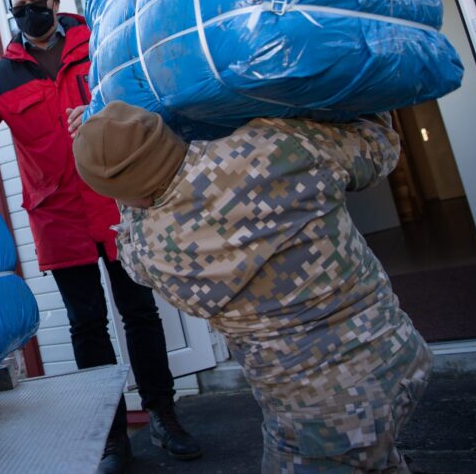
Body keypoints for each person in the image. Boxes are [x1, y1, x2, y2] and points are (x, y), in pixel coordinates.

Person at [73, 102, 432, 473]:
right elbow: (378, 147)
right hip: (397, 352)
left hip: (323, 416)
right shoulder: (275, 141)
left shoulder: (152, 251)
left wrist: (112, 158)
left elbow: (133, 229)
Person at [0, 0, 202, 472]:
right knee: (87, 326)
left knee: (140, 312)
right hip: (59, 219)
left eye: (37, 3)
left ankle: (164, 415)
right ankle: (110, 435)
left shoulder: (97, 41)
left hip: (117, 203)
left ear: (54, 0)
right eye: (20, 8)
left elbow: (144, 92)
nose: (30, 13)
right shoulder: (2, 76)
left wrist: (99, 107)